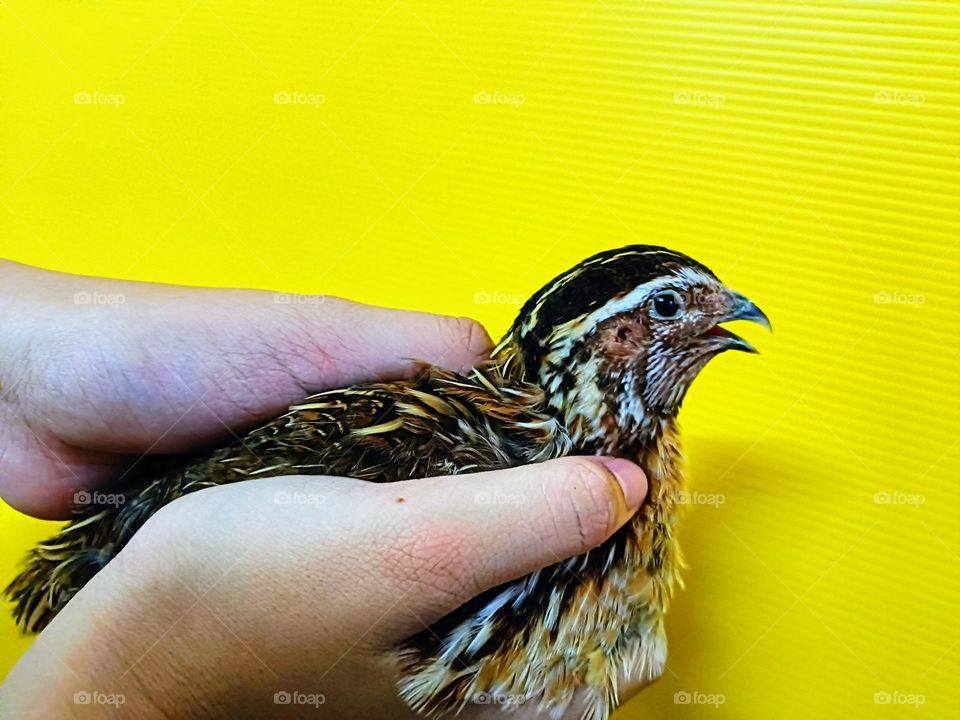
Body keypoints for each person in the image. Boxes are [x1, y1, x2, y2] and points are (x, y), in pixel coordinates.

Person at [0, 259, 648, 719]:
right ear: (615, 343)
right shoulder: (473, 456)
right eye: (667, 310)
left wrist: (28, 359)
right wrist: (142, 684)